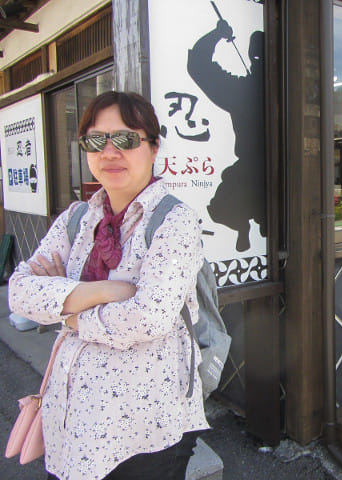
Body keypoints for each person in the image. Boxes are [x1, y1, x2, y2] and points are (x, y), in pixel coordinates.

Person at [8, 91, 210, 480]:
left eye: (127, 139)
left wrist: (69, 317)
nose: (110, 151)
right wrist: (103, 292)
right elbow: (19, 291)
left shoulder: (174, 222)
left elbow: (149, 318)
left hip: (146, 426)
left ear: (154, 147)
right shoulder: (77, 218)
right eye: (96, 140)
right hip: (72, 419)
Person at [187, 18, 266, 252]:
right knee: (222, 206)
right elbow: (199, 66)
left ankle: (249, 225)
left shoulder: (245, 90)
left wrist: (217, 35)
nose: (257, 63)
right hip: (250, 172)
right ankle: (244, 225)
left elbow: (199, 66)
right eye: (256, 58)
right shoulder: (244, 91)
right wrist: (216, 34)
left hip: (269, 175)